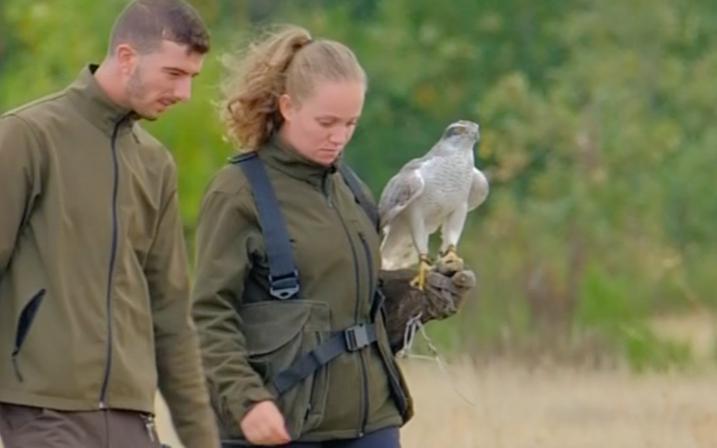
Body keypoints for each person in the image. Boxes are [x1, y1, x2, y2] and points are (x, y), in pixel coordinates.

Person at [191, 24, 476, 448]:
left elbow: (352, 293)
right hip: (282, 425)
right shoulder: (237, 192)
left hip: (372, 419)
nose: (339, 137)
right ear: (287, 107)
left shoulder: (350, 188)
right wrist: (247, 401)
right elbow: (210, 315)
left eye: (350, 123)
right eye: (326, 122)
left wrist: (415, 294)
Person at [0, 1, 220, 447]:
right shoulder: (28, 137)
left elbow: (172, 318)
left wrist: (203, 440)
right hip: (41, 417)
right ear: (126, 57)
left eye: (191, 78)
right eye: (174, 74)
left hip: (131, 420)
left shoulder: (155, 165)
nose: (184, 94)